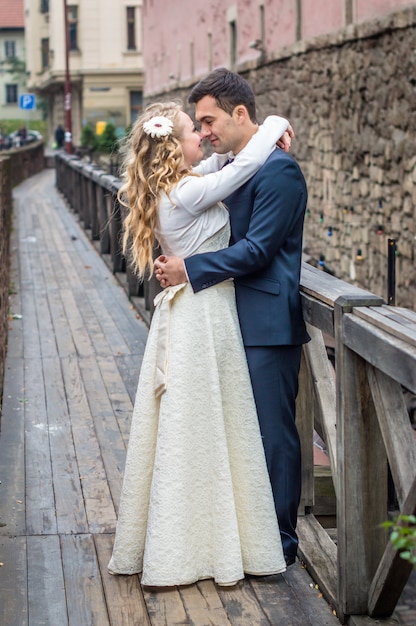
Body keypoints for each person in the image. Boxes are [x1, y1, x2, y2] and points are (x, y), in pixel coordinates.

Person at [107, 100, 293, 586]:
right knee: (206, 423)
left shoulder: (178, 186)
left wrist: (250, 134)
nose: (203, 138)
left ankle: (208, 533)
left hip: (200, 309)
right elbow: (246, 165)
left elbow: (229, 161)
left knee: (205, 423)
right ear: (174, 146)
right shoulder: (185, 194)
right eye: (195, 131)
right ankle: (205, 542)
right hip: (202, 314)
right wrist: (275, 123)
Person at [155, 68, 310, 567]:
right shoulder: (235, 164)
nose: (203, 133)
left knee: (272, 437)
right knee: (235, 438)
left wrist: (188, 269)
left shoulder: (279, 171)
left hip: (267, 324)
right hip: (224, 320)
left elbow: (260, 249)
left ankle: (281, 546)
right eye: (197, 125)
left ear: (240, 113)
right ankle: (246, 539)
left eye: (209, 120)